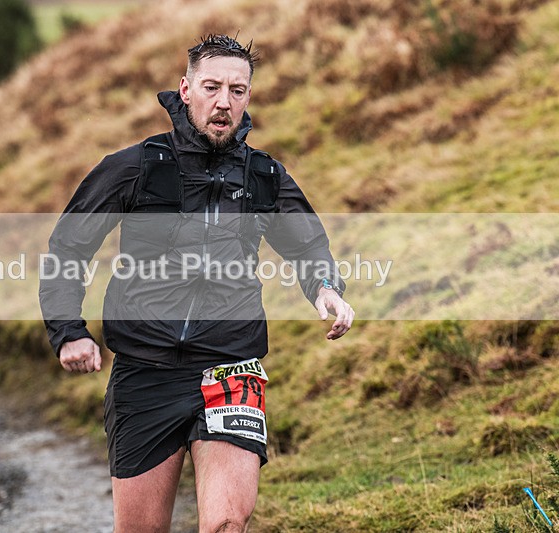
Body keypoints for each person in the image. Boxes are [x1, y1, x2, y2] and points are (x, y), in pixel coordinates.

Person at [39, 34, 354, 532]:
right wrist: (68, 331)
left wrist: (326, 288)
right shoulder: (136, 167)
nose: (224, 102)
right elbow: (68, 248)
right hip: (144, 372)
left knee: (227, 524)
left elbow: (309, 247)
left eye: (237, 90)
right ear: (186, 90)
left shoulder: (264, 175)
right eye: (212, 87)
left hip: (231, 367)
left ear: (248, 97)